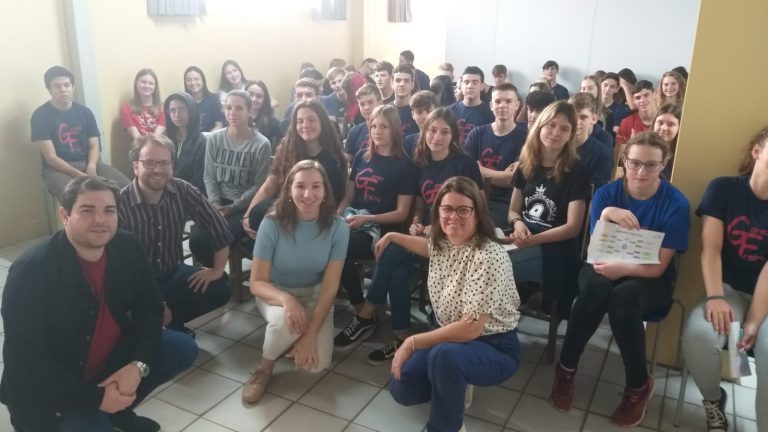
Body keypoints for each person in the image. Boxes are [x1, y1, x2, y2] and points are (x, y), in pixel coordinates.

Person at [0, 176, 197, 432]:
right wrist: (97, 398)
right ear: (65, 215)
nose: (100, 220)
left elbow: (150, 310)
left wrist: (138, 365)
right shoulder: (31, 270)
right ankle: (105, 411)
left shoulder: (127, 247)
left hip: (106, 364)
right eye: (87, 210)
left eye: (109, 210)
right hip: (52, 389)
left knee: (181, 347)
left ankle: (118, 412)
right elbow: (25, 359)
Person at [551, 131, 690, 428]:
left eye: (651, 165)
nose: (641, 171)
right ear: (624, 161)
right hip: (602, 262)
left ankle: (638, 386)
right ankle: (566, 369)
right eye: (635, 163)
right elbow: (595, 251)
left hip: (648, 276)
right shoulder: (607, 194)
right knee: (595, 289)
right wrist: (607, 214)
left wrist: (623, 269)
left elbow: (658, 268)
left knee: (623, 298)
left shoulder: (676, 203)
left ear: (663, 164)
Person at [334, 108, 482, 363]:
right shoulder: (421, 163)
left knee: (392, 251)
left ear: (453, 136)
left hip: (457, 238)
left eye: (444, 132)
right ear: (424, 132)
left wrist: (442, 227)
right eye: (432, 130)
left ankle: (365, 314)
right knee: (399, 273)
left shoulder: (464, 163)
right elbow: (419, 207)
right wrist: (415, 223)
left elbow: (478, 207)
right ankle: (402, 336)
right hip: (425, 236)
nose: (437, 137)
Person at [387, 176, 522, 432]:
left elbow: (470, 329)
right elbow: (427, 247)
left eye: (463, 210)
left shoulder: (489, 256)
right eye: (447, 209)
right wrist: (393, 236)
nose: (453, 216)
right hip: (447, 333)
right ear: (438, 212)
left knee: (445, 357)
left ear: (477, 214)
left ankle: (447, 425)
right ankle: (453, 381)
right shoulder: (445, 241)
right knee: (402, 388)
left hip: (493, 343)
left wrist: (412, 341)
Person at [681, 127, 768, 432]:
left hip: (765, 297)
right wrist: (716, 296)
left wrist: (754, 321)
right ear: (757, 152)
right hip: (727, 289)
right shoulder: (723, 189)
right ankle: (714, 400)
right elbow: (711, 248)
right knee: (699, 335)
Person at [242, 160, 349, 404]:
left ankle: (296, 338)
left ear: (325, 191)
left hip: (316, 294)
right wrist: (286, 299)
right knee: (284, 323)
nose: (308, 194)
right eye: (300, 186)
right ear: (289, 190)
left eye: (316, 186)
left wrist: (310, 336)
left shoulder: (339, 228)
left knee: (317, 364)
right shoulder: (271, 223)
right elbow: (257, 283)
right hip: (275, 292)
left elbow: (330, 287)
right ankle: (264, 368)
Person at [120, 134, 233, 335]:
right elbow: (115, 263)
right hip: (137, 285)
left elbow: (218, 227)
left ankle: (171, 322)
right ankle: (160, 322)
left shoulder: (182, 189)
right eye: (149, 163)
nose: (158, 170)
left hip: (172, 273)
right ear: (135, 166)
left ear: (172, 165)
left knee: (219, 289)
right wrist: (153, 300)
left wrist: (217, 270)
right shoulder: (119, 203)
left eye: (164, 163)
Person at [507, 101, 590, 317]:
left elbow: (572, 228)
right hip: (524, 235)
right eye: (551, 125)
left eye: (564, 128)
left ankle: (491, 321)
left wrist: (532, 240)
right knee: (478, 253)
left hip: (554, 247)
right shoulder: (526, 163)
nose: (556, 133)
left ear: (571, 135)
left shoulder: (577, 170)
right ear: (540, 126)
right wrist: (518, 224)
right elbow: (513, 211)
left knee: (496, 264)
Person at [336, 105, 417, 319]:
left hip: (381, 228)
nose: (377, 131)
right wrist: (338, 214)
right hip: (353, 217)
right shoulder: (361, 157)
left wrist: (366, 219)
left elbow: (401, 213)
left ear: (395, 129)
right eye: (374, 126)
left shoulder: (404, 165)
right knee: (325, 237)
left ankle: (359, 307)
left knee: (338, 246)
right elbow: (348, 197)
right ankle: (337, 299)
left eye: (384, 126)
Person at [243, 99, 348, 237]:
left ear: (322, 122)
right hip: (287, 205)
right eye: (300, 121)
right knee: (256, 214)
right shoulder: (288, 149)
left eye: (311, 120)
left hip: (315, 213)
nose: (305, 125)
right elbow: (269, 185)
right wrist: (247, 214)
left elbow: (329, 203)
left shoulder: (333, 159)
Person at [190, 90, 271, 267]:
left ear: (249, 111)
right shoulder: (214, 139)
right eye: (228, 108)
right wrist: (215, 204)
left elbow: (259, 184)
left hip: (244, 205)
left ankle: (216, 273)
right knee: (196, 239)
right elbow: (209, 175)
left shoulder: (261, 144)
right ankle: (217, 276)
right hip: (217, 201)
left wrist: (233, 207)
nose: (232, 112)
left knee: (220, 237)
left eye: (239, 108)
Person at [31, 66, 130, 202]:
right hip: (58, 170)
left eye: (67, 85)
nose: (63, 90)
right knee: (79, 199)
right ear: (49, 89)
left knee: (128, 190)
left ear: (73, 87)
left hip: (89, 163)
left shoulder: (85, 112)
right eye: (57, 86)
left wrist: (91, 166)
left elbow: (94, 146)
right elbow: (51, 158)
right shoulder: (40, 115)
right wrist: (78, 174)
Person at [462, 83, 526, 227]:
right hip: (473, 197)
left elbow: (512, 179)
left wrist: (480, 170)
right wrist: (502, 174)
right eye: (497, 101)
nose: (502, 105)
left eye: (508, 101)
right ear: (491, 105)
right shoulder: (477, 133)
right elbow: (467, 172)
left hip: (505, 202)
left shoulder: (525, 139)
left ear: (517, 105)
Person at [163, 92, 207, 194]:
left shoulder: (201, 142)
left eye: (182, 109)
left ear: (191, 111)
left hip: (190, 193)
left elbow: (199, 180)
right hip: (164, 190)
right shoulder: (165, 138)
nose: (177, 115)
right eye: (172, 110)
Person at [569, 93, 613, 189]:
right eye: (573, 116)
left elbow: (597, 190)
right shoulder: (557, 144)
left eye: (583, 117)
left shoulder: (602, 154)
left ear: (594, 119)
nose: (577, 122)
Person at [450, 66, 496, 145]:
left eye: (475, 83)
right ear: (461, 85)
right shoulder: (449, 111)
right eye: (466, 82)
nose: (470, 86)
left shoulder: (490, 114)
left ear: (482, 86)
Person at [120, 69, 165, 140]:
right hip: (139, 146)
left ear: (155, 86)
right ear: (136, 84)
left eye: (151, 83)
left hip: (160, 145)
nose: (147, 86)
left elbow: (157, 137)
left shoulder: (164, 107)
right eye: (143, 82)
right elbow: (137, 138)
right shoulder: (126, 109)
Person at [344, 83, 382, 161]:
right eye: (362, 104)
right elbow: (347, 159)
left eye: (370, 102)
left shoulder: (390, 129)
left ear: (380, 103)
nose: (366, 107)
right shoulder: (354, 132)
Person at [183, 65, 225, 132]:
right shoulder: (183, 102)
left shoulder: (214, 99)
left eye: (196, 79)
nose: (193, 82)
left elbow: (219, 125)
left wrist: (208, 137)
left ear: (203, 80)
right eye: (189, 80)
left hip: (211, 136)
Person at [616, 80, 657, 147]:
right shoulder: (626, 123)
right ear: (633, 101)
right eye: (638, 98)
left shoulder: (666, 119)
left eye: (646, 95)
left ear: (654, 95)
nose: (642, 100)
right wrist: (631, 144)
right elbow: (620, 151)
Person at [245, 80, 282, 153]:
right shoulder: (234, 118)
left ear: (264, 100)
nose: (254, 99)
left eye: (259, 96)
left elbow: (274, 151)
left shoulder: (274, 123)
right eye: (250, 94)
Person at [580, 74, 614, 146]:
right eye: (583, 89)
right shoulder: (572, 109)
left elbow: (606, 139)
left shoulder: (608, 114)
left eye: (590, 88)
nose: (586, 92)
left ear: (598, 90)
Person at [403, 90, 438, 157]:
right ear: (413, 115)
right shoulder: (408, 142)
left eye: (429, 111)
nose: (425, 116)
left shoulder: (442, 140)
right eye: (419, 112)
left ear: (437, 112)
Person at [654, 104, 682, 179]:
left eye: (671, 124)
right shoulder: (643, 148)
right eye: (660, 123)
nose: (664, 128)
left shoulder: (682, 156)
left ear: (679, 128)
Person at [392, 65, 420, 138]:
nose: (402, 84)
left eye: (406, 81)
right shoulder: (385, 111)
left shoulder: (420, 111)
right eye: (398, 80)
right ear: (392, 84)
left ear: (412, 84)